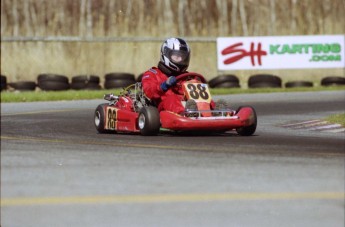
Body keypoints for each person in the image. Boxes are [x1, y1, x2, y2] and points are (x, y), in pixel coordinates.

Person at [141, 37, 220, 117]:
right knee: (171, 99)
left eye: (183, 57)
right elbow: (149, 92)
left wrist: (196, 83)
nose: (180, 59)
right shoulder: (153, 73)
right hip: (161, 107)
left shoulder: (187, 76)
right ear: (165, 54)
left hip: (189, 105)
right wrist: (164, 85)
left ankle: (216, 111)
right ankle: (185, 114)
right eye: (176, 56)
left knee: (197, 87)